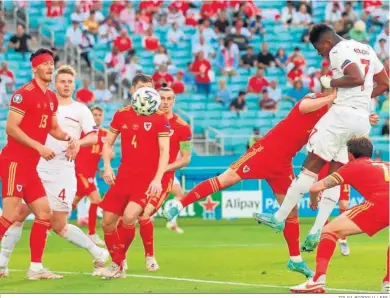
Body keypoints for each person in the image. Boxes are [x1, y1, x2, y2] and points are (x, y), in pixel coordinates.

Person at [164, 91, 340, 278]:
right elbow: (304, 107)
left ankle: (295, 260)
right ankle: (178, 204)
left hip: (283, 163)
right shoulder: (314, 98)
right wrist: (330, 97)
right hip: (266, 150)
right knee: (226, 179)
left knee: (291, 210)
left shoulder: (330, 118)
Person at [255, 24, 389, 251]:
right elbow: (385, 83)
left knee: (312, 165)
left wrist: (330, 82)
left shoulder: (338, 51)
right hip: (361, 119)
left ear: (326, 42)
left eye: (319, 48)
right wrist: (363, 99)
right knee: (337, 173)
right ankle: (316, 232)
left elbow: (355, 77)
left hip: (341, 115)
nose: (320, 53)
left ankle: (279, 217)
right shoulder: (366, 48)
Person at [0, 65, 109, 277]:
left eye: (70, 82)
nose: (66, 85)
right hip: (36, 167)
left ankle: (97, 252)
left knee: (58, 225)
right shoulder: (44, 102)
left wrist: (77, 142)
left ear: (74, 84)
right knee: (18, 214)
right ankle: (9, 264)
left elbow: (94, 136)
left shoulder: (80, 110)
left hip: (62, 172)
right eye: (62, 81)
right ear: (55, 83)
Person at [0, 49, 71, 279]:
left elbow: (53, 129)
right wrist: (39, 147)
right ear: (34, 68)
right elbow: (11, 128)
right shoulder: (23, 94)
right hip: (14, 162)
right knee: (9, 215)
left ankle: (36, 268)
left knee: (44, 213)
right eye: (45, 64)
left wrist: (70, 138)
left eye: (52, 63)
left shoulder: (51, 97)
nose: (50, 67)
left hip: (30, 166)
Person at [290, 137, 389, 293]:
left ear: (349, 154)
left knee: (329, 230)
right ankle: (388, 283)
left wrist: (314, 202)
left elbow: (315, 188)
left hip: (382, 204)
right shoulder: (385, 164)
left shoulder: (352, 166)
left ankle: (317, 281)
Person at [99, 74, 170, 278]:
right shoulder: (121, 115)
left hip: (145, 181)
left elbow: (164, 152)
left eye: (150, 88)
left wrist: (157, 179)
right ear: (133, 90)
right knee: (107, 223)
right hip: (123, 178)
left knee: (130, 217)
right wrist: (107, 166)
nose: (146, 92)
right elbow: (108, 143)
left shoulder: (159, 118)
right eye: (141, 88)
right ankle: (119, 265)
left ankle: (117, 263)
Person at [132, 86, 192, 271]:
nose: (165, 102)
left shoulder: (182, 127)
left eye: (169, 99)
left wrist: (164, 168)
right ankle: (119, 258)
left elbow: (186, 158)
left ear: (174, 101)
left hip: (163, 179)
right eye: (162, 98)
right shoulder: (146, 120)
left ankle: (150, 257)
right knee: (125, 218)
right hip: (138, 175)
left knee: (144, 215)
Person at [72, 106, 107, 246]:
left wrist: (101, 169)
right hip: (80, 171)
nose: (97, 117)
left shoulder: (105, 134)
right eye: (95, 114)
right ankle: (91, 233)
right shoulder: (83, 132)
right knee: (96, 199)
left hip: (91, 173)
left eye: (99, 114)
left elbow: (99, 154)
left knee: (72, 202)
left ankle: (49, 225)